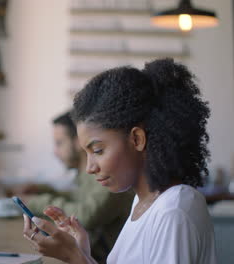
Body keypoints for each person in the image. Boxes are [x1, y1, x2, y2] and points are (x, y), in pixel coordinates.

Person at [22, 58, 217, 263]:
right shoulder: (143, 201)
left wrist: (74, 257)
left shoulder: (173, 212)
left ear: (137, 139)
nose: (89, 167)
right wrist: (83, 253)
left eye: (98, 150)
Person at [21, 112, 134, 263]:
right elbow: (78, 198)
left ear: (77, 141)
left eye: (59, 143)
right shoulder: (87, 174)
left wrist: (35, 201)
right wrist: (42, 190)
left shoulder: (109, 176)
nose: (55, 151)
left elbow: (86, 214)